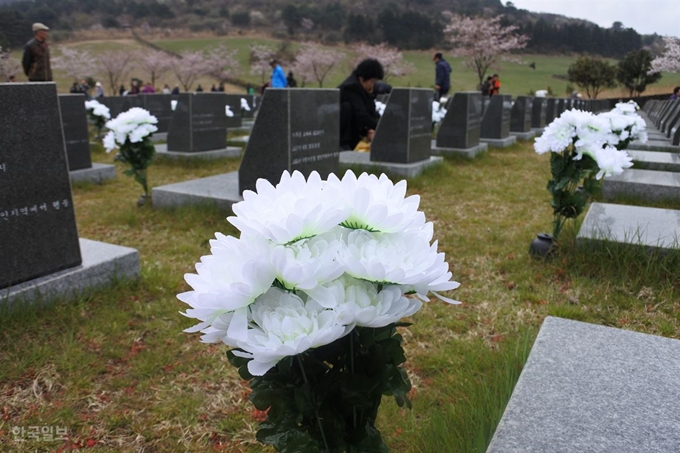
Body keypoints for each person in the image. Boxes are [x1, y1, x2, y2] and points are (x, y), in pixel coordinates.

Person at [338, 58, 384, 151]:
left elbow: (371, 111)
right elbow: (361, 114)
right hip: (345, 133)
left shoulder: (365, 89)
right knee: (346, 107)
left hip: (358, 130)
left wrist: (373, 128)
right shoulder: (350, 88)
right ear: (362, 78)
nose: (373, 85)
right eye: (372, 81)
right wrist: (380, 128)